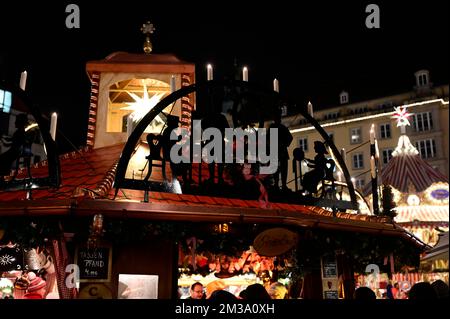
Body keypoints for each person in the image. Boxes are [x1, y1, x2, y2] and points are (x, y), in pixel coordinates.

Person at [269, 111, 293, 191]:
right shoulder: (272, 127)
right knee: (275, 168)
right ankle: (276, 184)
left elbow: (290, 137)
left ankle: (283, 184)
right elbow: (268, 139)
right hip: (275, 150)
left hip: (282, 150)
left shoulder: (283, 128)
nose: (278, 119)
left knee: (284, 168)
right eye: (276, 118)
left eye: (278, 118)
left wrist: (284, 144)